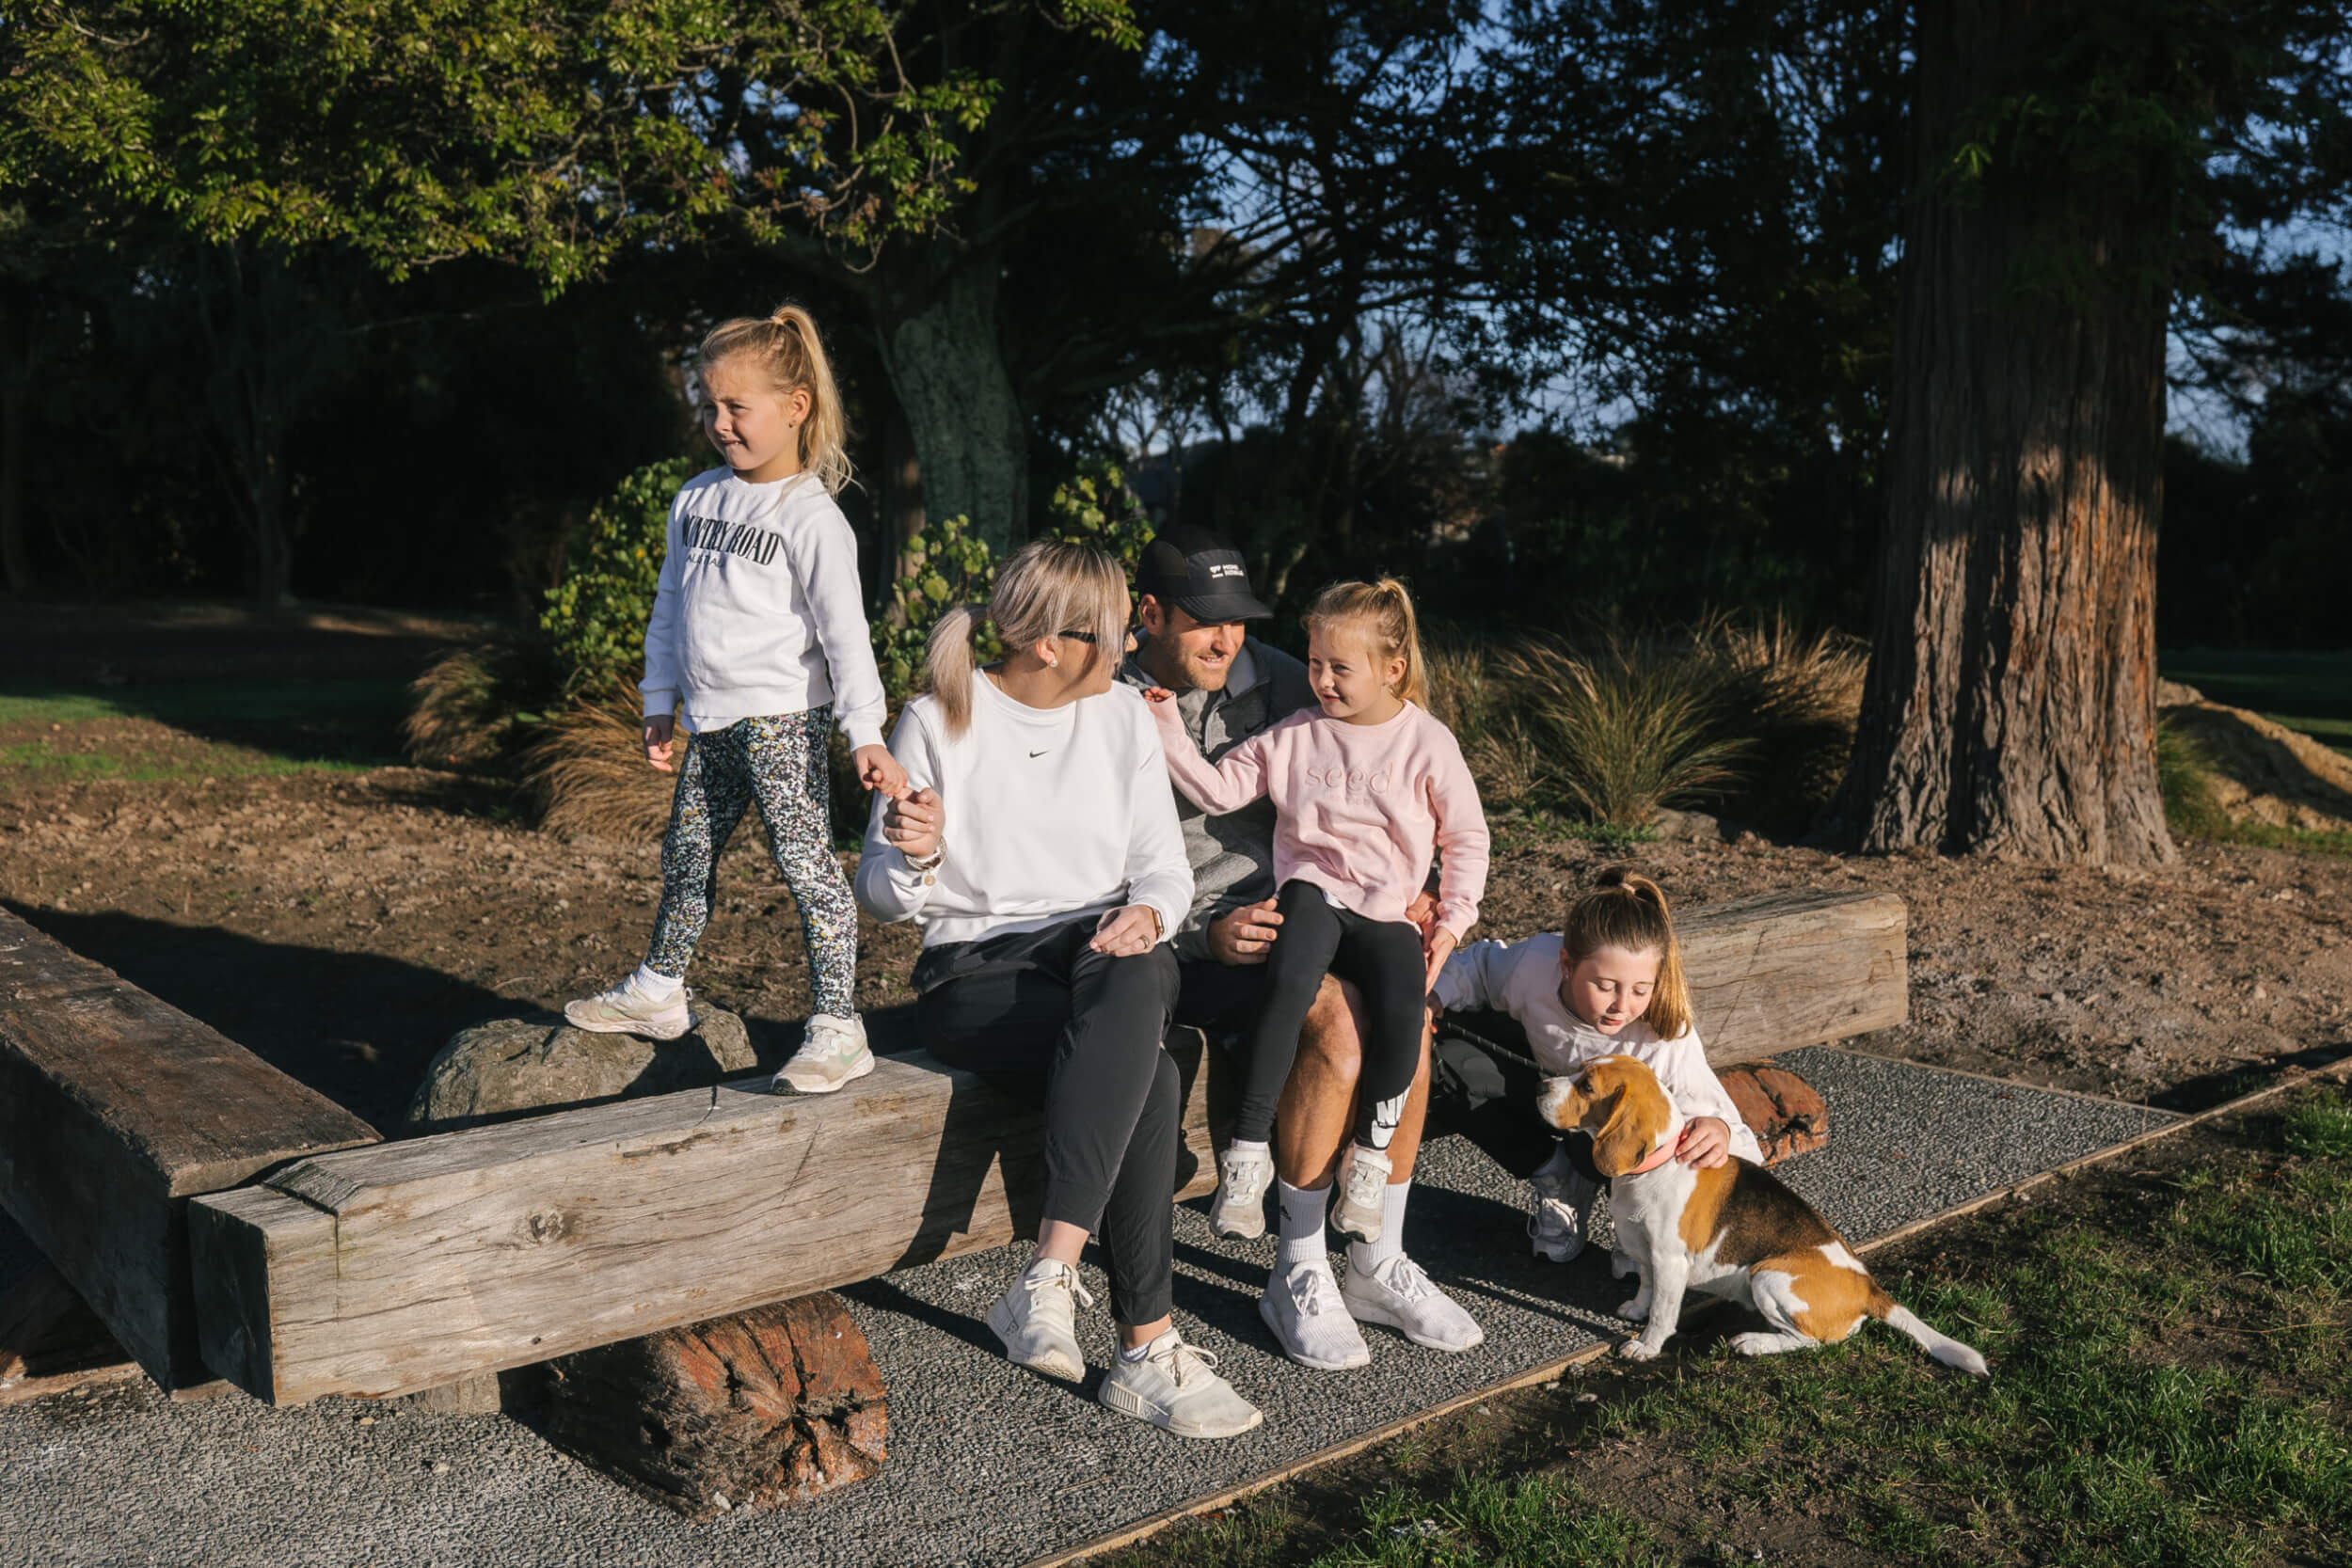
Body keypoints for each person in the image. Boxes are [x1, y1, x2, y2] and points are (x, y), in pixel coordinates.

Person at [856, 539, 1262, 1440]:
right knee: (1149, 1076)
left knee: (1143, 965)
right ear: (1047, 641)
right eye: (1113, 634)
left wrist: (1154, 913)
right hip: (978, 973)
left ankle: (1051, 1277)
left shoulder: (1122, 717)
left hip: (1097, 953)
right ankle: (1145, 1346)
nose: (1126, 650)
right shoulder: (934, 721)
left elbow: (1163, 869)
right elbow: (880, 896)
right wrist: (917, 852)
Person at [1120, 533, 1483, 1371]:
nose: (1227, 643)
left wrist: (1420, 888)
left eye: (1239, 624)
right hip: (1185, 931)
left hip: (1311, 909)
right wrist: (1199, 929)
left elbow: (1403, 774)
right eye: (1205, 625)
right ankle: (1300, 1264)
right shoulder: (1113, 702)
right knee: (1339, 1023)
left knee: (1408, 1019)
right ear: (1149, 616)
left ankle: (1375, 1257)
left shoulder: (1295, 673)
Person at [564, 306, 908, 1097]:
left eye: (736, 407)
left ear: (796, 407)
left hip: (784, 719)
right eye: (710, 407)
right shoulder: (696, 501)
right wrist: (660, 700)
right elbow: (670, 609)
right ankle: (659, 989)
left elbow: (847, 636)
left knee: (807, 865)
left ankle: (838, 1022)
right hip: (713, 722)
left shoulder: (811, 517)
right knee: (686, 856)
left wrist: (865, 731)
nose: (720, 424)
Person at [1429, 865, 1763, 1262]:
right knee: (1448, 1062)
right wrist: (1434, 996)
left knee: (1651, 1134)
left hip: (1608, 1145)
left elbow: (1728, 1129)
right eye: (1606, 986)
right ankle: (1555, 1175)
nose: (1622, 1005)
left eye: (1641, 989)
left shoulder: (1662, 1035)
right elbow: (1478, 968)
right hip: (1546, 1096)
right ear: (1567, 965)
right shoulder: (1533, 966)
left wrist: (1720, 1131)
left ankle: (1633, 1222)